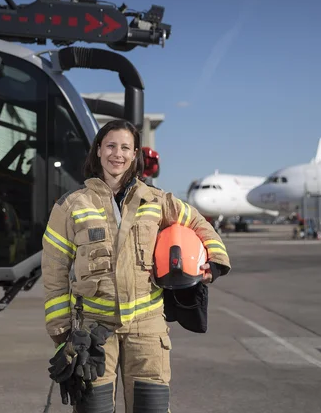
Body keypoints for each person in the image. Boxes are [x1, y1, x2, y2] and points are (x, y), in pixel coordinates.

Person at [41, 119, 231, 412]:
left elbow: (198, 222)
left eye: (125, 148)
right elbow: (53, 269)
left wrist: (215, 261)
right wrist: (60, 333)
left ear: (134, 156)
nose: (117, 154)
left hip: (147, 329)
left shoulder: (156, 200)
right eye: (111, 146)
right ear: (99, 151)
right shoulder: (70, 206)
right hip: (92, 331)